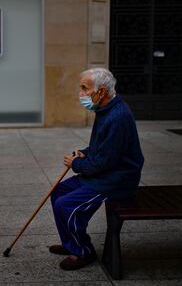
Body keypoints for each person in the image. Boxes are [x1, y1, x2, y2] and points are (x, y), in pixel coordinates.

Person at [49, 68, 144, 270]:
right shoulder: (105, 109)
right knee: (58, 192)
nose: (81, 93)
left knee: (65, 205)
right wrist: (84, 152)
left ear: (101, 92)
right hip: (105, 173)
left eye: (85, 88)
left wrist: (75, 164)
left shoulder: (117, 117)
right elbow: (101, 148)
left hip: (115, 180)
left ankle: (83, 251)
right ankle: (71, 243)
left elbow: (104, 162)